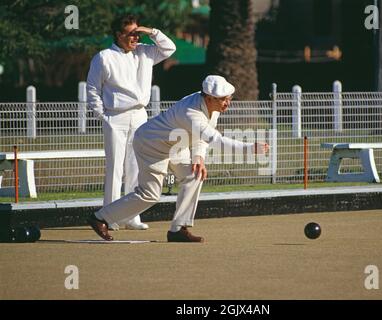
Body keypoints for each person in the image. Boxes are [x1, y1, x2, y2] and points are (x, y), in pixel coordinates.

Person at [87, 75, 269, 242]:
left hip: (176, 143)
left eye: (229, 98)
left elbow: (201, 137)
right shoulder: (191, 112)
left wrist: (198, 156)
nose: (227, 103)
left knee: (194, 175)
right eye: (223, 99)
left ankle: (178, 229)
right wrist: (249, 148)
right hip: (151, 144)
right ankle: (100, 218)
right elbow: (214, 139)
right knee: (150, 195)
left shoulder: (213, 107)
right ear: (209, 98)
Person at [86, 14, 176, 230]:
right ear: (118, 34)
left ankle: (131, 216)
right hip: (114, 116)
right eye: (131, 34)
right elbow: (92, 89)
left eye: (138, 33)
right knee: (115, 168)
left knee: (137, 167)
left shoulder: (145, 52)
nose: (136, 38)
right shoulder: (103, 57)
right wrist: (103, 116)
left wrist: (151, 31)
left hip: (140, 116)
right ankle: (108, 217)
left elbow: (169, 48)